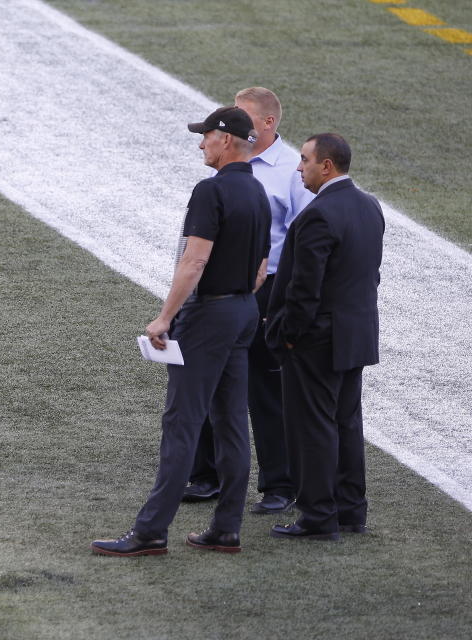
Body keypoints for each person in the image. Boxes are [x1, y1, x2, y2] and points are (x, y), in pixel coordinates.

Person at [91, 107, 270, 556]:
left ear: (226, 140)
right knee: (231, 423)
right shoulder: (260, 194)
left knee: (182, 423)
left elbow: (194, 261)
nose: (200, 144)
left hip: (210, 317)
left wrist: (164, 317)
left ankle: (151, 531)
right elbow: (260, 273)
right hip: (244, 312)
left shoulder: (210, 191)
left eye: (206, 136)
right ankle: (226, 528)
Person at [183, 88, 314, 515]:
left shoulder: (292, 171)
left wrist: (286, 299)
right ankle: (207, 475)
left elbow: (304, 238)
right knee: (206, 379)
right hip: (223, 285)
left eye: (242, 114)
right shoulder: (227, 168)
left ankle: (279, 483)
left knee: (265, 388)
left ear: (268, 123)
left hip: (270, 287)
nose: (231, 121)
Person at [265, 133, 384, 540]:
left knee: (313, 427)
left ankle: (318, 516)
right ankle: (351, 513)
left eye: (304, 160)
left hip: (318, 340)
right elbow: (371, 275)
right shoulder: (370, 206)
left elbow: (304, 288)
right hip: (356, 335)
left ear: (326, 166)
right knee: (347, 424)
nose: (299, 168)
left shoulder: (318, 214)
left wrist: (289, 335)